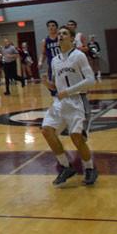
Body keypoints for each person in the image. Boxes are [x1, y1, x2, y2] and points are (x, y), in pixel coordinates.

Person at [40, 26, 98, 187]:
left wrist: (68, 91)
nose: (60, 36)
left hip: (76, 101)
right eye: (59, 34)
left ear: (72, 38)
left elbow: (90, 80)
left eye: (64, 33)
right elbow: (56, 87)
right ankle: (66, 166)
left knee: (76, 137)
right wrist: (47, 84)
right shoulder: (55, 60)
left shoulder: (79, 56)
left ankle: (90, 168)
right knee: (46, 130)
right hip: (60, 103)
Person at [40, 20, 62, 95]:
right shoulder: (45, 41)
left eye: (53, 25)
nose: (51, 27)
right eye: (49, 26)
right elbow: (43, 53)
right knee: (52, 85)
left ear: (56, 27)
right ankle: (55, 98)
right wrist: (40, 62)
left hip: (62, 64)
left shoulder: (60, 38)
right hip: (52, 66)